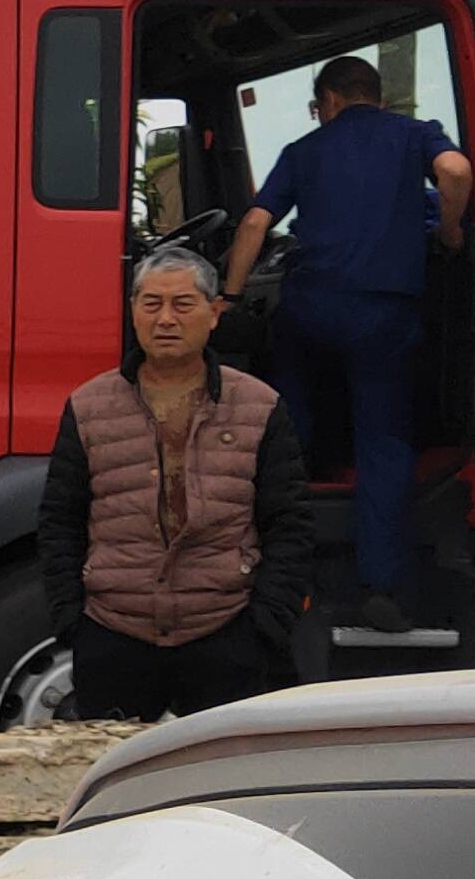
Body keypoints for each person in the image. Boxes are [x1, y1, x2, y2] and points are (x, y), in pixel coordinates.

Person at [225, 58, 472, 633]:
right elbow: (455, 171)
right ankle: (380, 586)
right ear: (376, 98)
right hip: (384, 316)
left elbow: (254, 226)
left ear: (330, 98)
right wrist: (451, 231)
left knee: (286, 411)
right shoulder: (414, 135)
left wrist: (230, 301)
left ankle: (293, 497)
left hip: (312, 309)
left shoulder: (304, 150)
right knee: (383, 441)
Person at [34, 243, 311, 720]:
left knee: (226, 785)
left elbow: (289, 524)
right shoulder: (89, 406)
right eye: (151, 304)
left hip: (226, 631)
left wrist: (265, 625)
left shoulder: (259, 407)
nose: (166, 319)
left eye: (183, 304)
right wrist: (72, 623)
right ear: (133, 312)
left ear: (214, 313)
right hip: (114, 633)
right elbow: (60, 521)